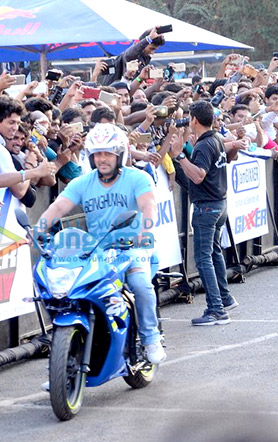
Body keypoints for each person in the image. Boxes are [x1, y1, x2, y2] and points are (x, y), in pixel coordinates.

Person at [37, 123, 166, 364]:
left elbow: (149, 206)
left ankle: (150, 337)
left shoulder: (138, 177)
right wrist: (38, 228)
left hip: (135, 247)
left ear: (120, 155)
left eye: (108, 153)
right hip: (98, 251)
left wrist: (146, 231)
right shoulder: (83, 183)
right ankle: (63, 361)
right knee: (69, 293)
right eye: (97, 154)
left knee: (139, 284)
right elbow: (58, 207)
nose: (102, 159)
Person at [174, 101, 238, 325]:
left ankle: (216, 310)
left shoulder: (204, 145)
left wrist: (180, 157)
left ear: (193, 120)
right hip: (219, 204)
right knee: (213, 252)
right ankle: (224, 297)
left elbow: (198, 175)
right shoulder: (216, 139)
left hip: (208, 206)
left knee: (203, 258)